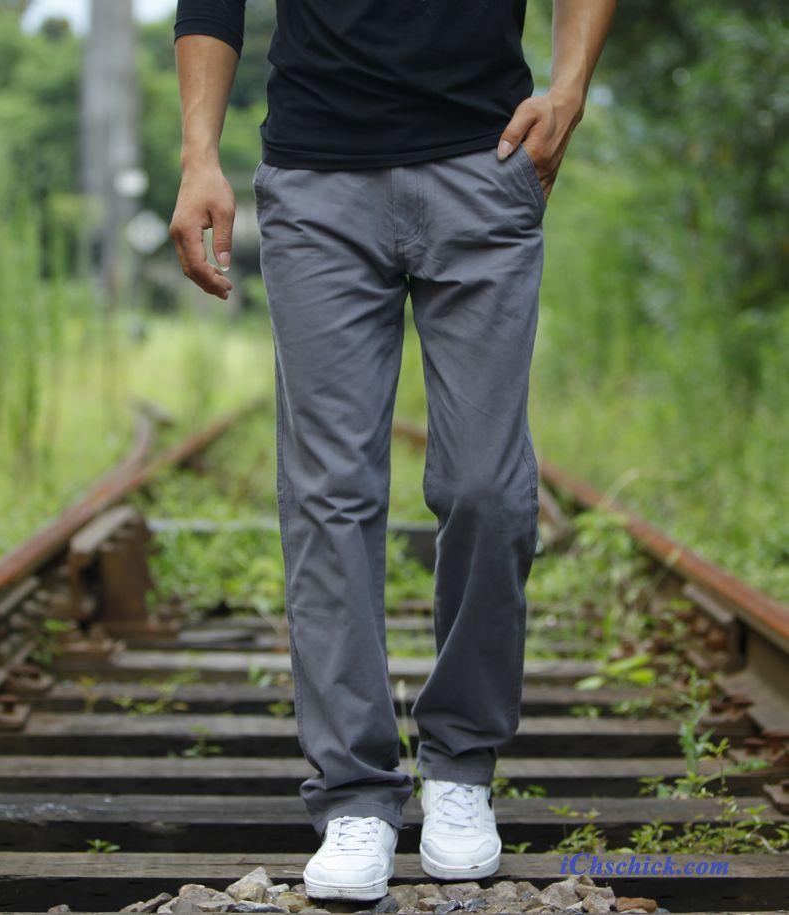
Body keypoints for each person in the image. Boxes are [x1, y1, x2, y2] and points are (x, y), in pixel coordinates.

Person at [169, 0, 616, 902]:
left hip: (484, 160)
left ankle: (460, 767)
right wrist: (199, 154)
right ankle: (354, 794)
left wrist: (569, 88)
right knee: (328, 494)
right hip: (315, 176)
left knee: (489, 487)